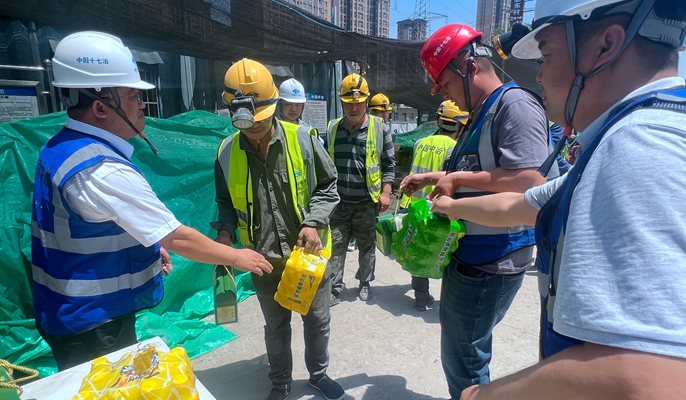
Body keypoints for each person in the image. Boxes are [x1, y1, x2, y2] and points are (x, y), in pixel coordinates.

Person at [429, 0, 686, 399]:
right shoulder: (625, 137)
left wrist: (485, 395)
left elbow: (645, 376)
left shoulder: (638, 146)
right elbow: (523, 205)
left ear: (606, 45)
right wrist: (451, 205)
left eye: (546, 54)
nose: (539, 75)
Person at [31, 32, 272, 371]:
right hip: (95, 323)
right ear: (100, 107)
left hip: (67, 310)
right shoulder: (101, 169)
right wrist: (236, 256)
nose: (142, 104)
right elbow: (178, 238)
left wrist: (147, 243)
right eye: (133, 96)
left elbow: (88, 221)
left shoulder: (61, 147)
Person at [401, 24, 556, 398]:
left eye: (445, 83)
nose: (445, 94)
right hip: (473, 256)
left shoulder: (514, 106)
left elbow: (530, 180)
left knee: (465, 362)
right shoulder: (482, 112)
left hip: (492, 261)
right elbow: (482, 174)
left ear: (468, 64)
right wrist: (434, 178)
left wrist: (455, 186)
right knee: (461, 353)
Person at [213, 58, 344, 400]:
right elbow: (225, 202)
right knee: (275, 327)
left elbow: (329, 185)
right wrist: (225, 234)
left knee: (317, 321)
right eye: (247, 120)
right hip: (263, 260)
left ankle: (319, 374)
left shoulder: (303, 140)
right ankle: (281, 383)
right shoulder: (226, 152)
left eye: (261, 118)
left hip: (309, 256)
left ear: (274, 105)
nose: (255, 126)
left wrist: (314, 223)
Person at [325, 73, 395, 305]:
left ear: (366, 101)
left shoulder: (380, 128)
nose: (353, 108)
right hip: (339, 203)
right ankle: (335, 287)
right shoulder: (333, 129)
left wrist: (386, 193)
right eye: (348, 103)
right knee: (336, 247)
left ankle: (365, 282)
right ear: (341, 102)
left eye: (358, 102)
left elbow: (389, 165)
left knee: (366, 246)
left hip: (366, 202)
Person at [400, 103, 468, 311]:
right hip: (438, 208)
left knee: (418, 251)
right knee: (444, 250)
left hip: (414, 204)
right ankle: (448, 298)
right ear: (460, 126)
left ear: (440, 121)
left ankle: (421, 297)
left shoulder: (420, 142)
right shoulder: (454, 148)